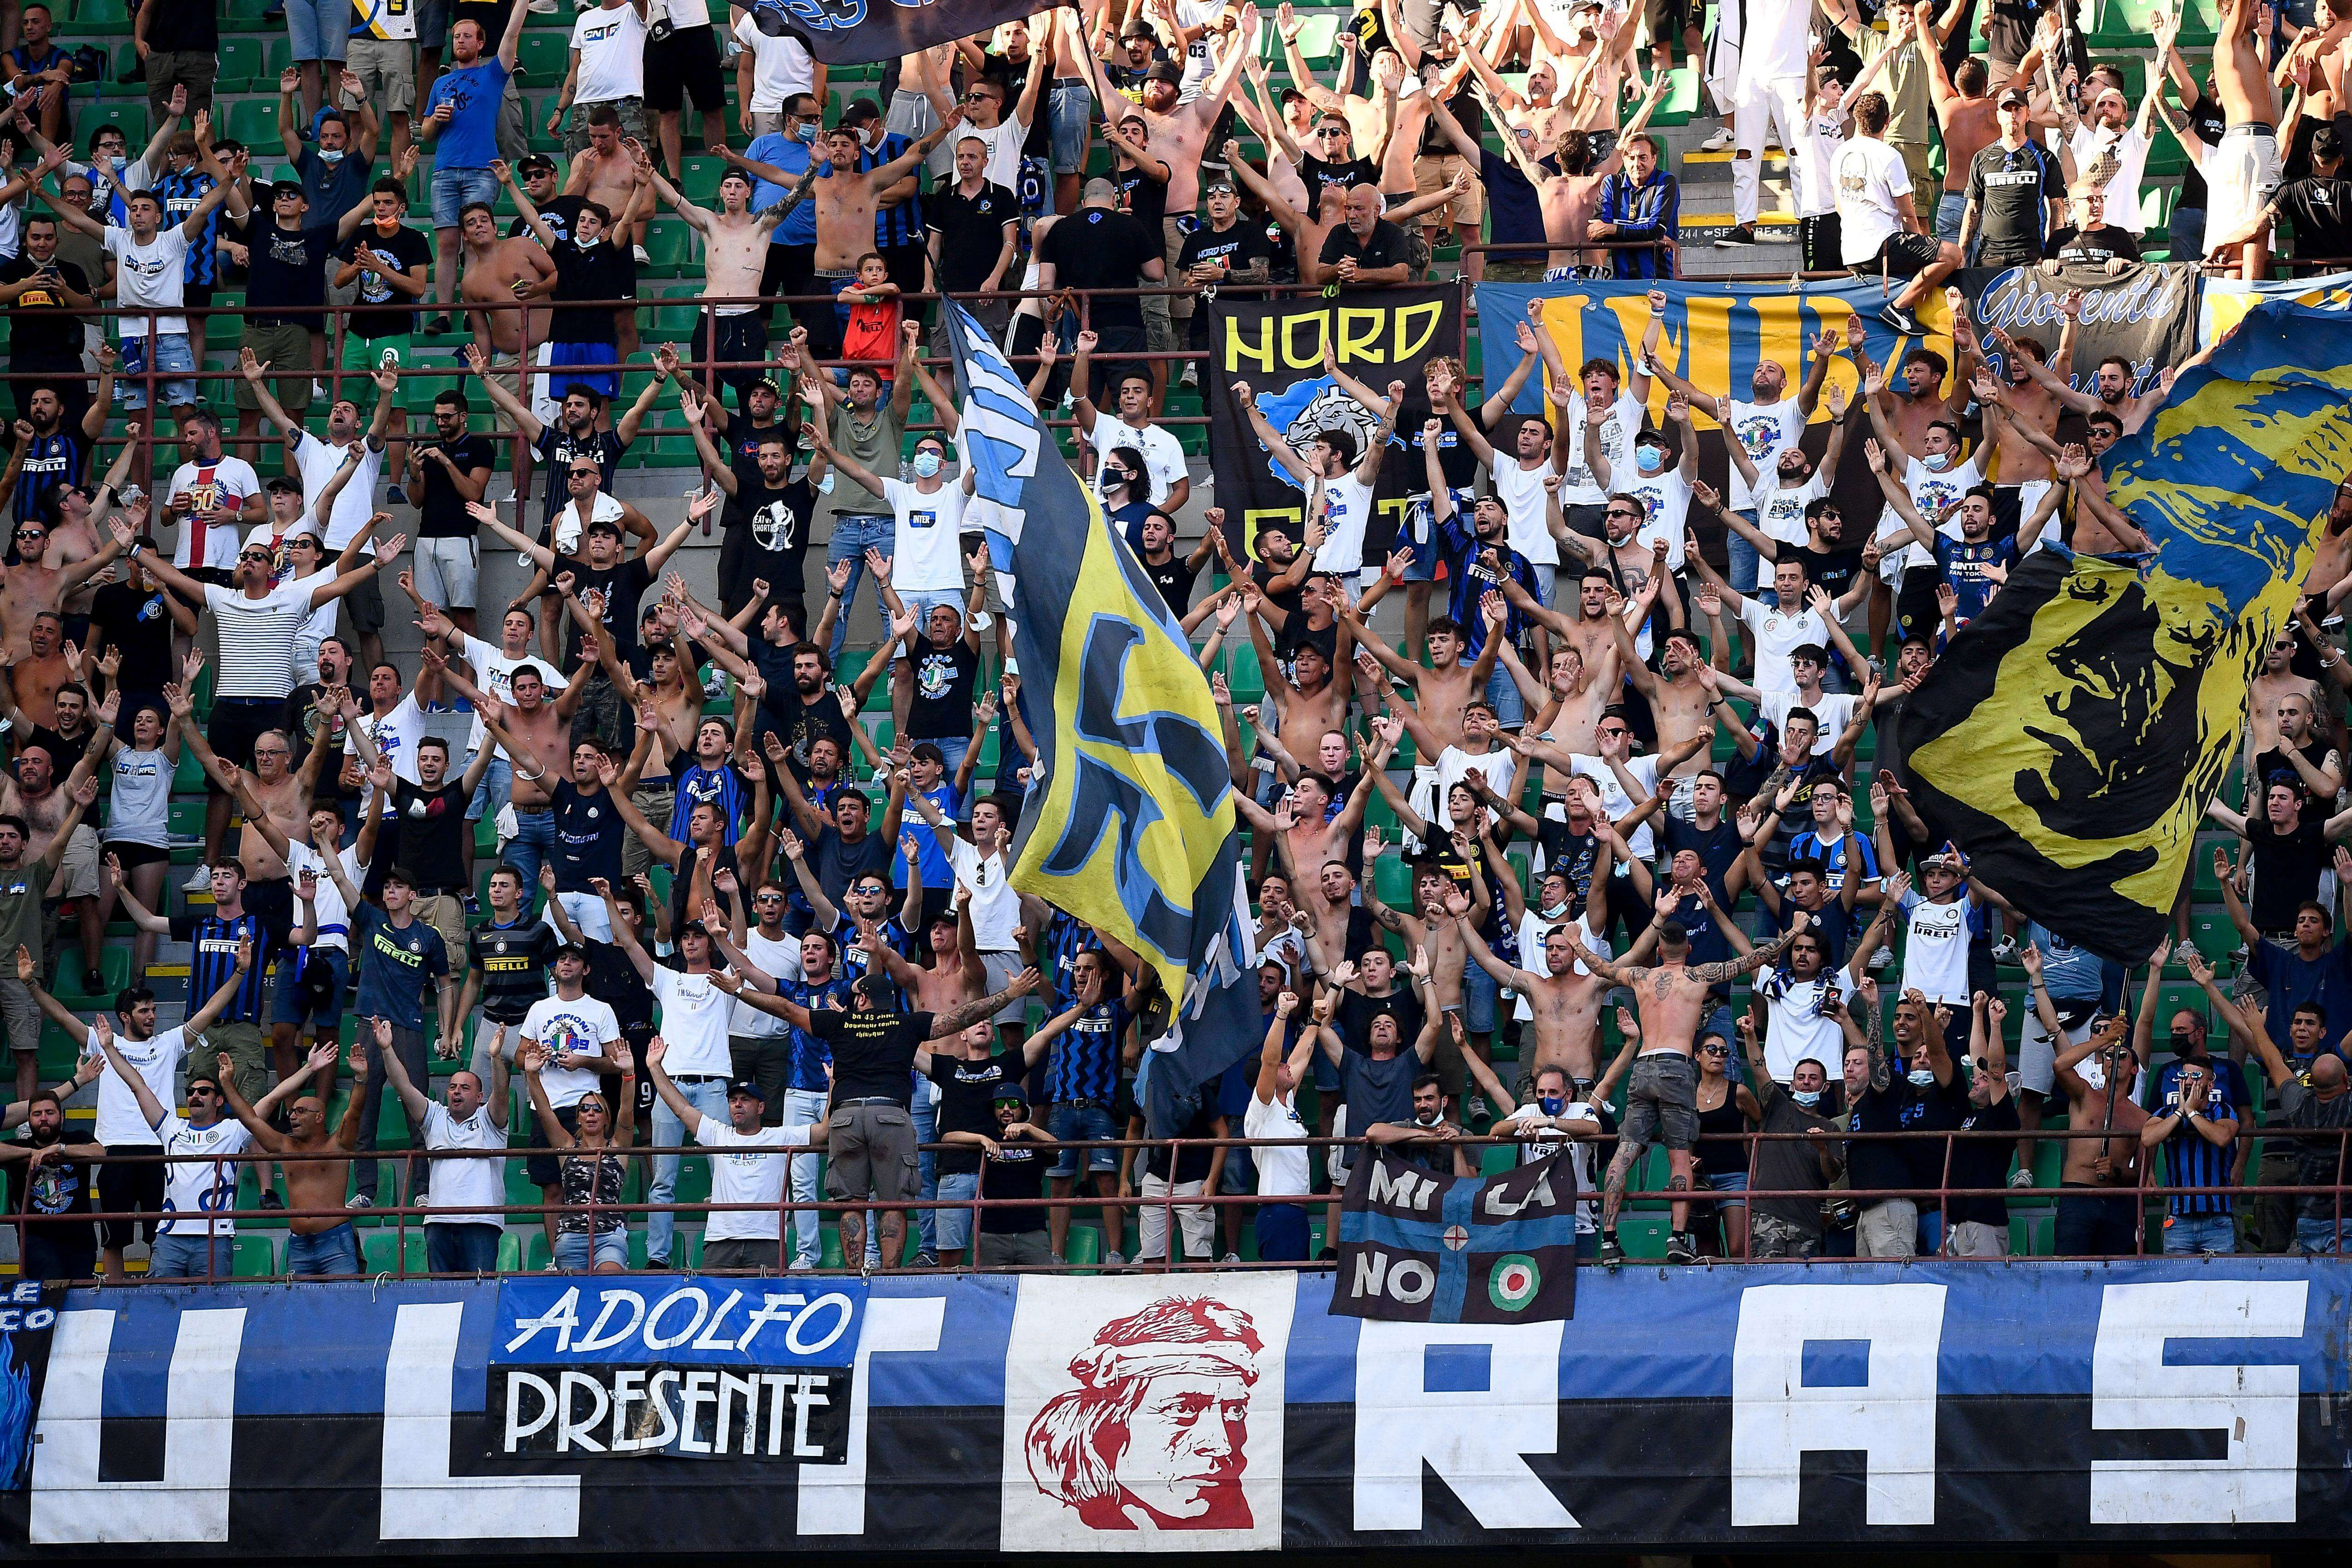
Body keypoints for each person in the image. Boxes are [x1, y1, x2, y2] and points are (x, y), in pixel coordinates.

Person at [721, 963, 1042, 1268]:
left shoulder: (841, 1022)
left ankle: (854, 1274)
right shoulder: (907, 1022)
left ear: (862, 998)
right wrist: (1010, 995)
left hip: (845, 1117)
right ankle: (888, 1273)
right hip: (890, 1114)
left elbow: (787, 1009)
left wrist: (740, 991)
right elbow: (962, 1017)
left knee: (852, 1202)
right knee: (893, 1202)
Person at [1563, 907, 1804, 1264]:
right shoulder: (1700, 974)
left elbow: (1601, 968)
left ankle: (1609, 1238)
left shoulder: (1642, 976)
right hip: (1677, 1067)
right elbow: (1758, 957)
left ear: (1659, 950)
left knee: (1624, 1154)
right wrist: (1795, 930)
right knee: (1680, 1158)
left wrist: (1575, 942)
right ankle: (1677, 1238)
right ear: (1688, 949)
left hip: (1644, 1065)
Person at [21, 938, 247, 1279]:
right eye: (144, 1011)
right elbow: (63, 1014)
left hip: (161, 1148)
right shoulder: (104, 1041)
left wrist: (240, 973)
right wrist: (31, 985)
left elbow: (209, 1011)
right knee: (115, 1239)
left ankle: (157, 1291)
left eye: (154, 1010)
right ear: (125, 1016)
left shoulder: (169, 1043)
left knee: (162, 1232)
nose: (152, 1016)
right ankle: (115, 1295)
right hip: (115, 1149)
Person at [646, 1036, 826, 1271]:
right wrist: (655, 1068)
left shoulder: (780, 1137)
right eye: (733, 1101)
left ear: (761, 1107)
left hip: (767, 1241)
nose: (738, 1105)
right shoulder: (718, 1134)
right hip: (720, 1242)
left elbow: (824, 1132)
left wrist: (834, 1084)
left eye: (745, 1100)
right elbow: (680, 1108)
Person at [1835, 90, 1961, 334]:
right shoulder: (1889, 155)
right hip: (1880, 246)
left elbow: (1840, 205)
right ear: (1887, 121)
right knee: (1952, 254)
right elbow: (1908, 214)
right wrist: (1922, 245)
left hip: (1850, 250)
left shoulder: (1840, 152)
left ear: (1858, 120)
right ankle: (1899, 308)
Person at [521, 1032, 637, 1271]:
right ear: (578, 1117)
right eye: (585, 1109)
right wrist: (532, 1074)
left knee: (608, 1279)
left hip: (610, 1235)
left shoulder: (617, 1148)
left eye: (597, 1109)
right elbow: (544, 1111)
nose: (591, 1113)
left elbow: (627, 1113)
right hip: (571, 1236)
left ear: (606, 1118)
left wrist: (628, 1075)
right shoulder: (566, 1147)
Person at [1734, 1012, 1845, 1258]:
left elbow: (1834, 1174)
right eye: (1801, 1078)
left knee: (1802, 1293)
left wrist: (1823, 1149)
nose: (1806, 1083)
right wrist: (1751, 1036)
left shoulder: (1831, 1128)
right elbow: (1758, 1068)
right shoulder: (1776, 1105)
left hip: (1807, 1222)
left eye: (1813, 1078)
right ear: (1792, 1084)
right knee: (1764, 1286)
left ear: (1825, 1087)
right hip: (1766, 1215)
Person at [943, 1082, 1058, 1267]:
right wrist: (981, 1139)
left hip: (1033, 1231)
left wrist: (1028, 1128)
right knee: (989, 1290)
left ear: (1022, 1108)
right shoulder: (986, 1133)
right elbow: (947, 1138)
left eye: (1013, 1104)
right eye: (1000, 1104)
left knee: (1040, 1289)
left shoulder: (1033, 1136)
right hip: (993, 1233)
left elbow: (1057, 1148)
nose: (1006, 1109)